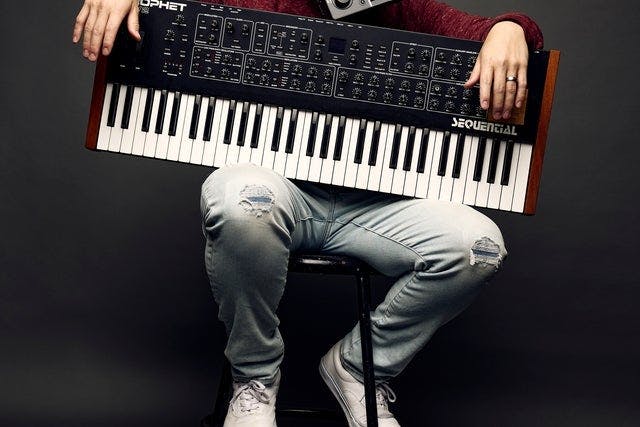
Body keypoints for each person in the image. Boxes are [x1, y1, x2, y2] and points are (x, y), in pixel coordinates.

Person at [72, 1, 544, 426]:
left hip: (377, 209)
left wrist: (509, 29)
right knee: (241, 200)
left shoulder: (406, 10)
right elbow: (165, 10)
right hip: (281, 193)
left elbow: (507, 33)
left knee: (478, 246)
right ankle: (254, 380)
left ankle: (359, 368)